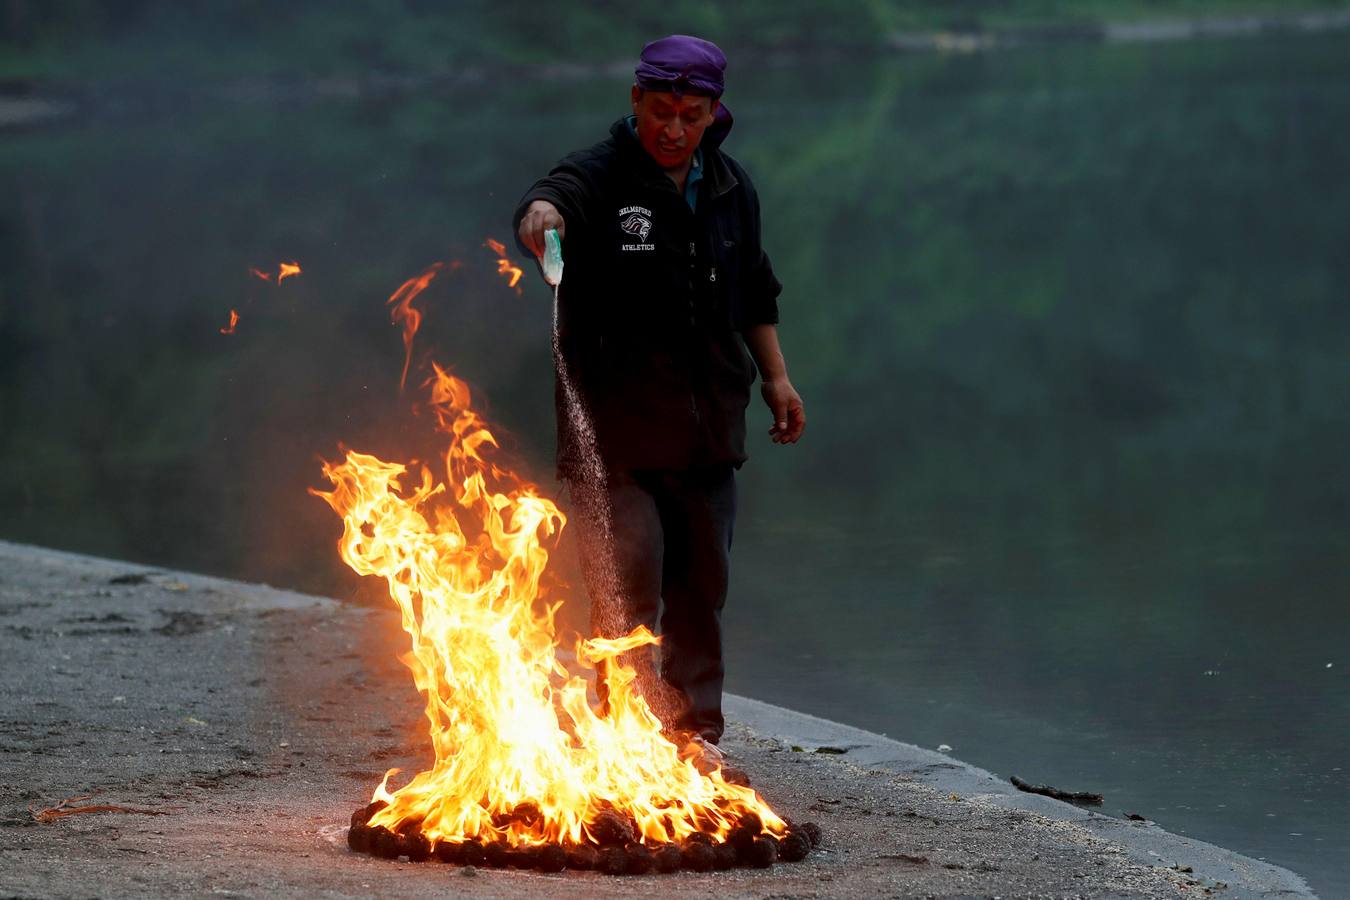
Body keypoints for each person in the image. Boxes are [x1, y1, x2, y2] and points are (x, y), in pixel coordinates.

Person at [513, 34, 805, 765]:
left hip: (708, 429)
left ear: (713, 114)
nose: (673, 130)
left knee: (701, 592)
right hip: (614, 439)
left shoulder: (732, 187)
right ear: (636, 101)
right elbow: (549, 200)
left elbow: (755, 290)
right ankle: (622, 743)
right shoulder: (601, 175)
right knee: (627, 594)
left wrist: (775, 377)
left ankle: (692, 736)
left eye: (692, 115)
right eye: (662, 112)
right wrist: (543, 226)